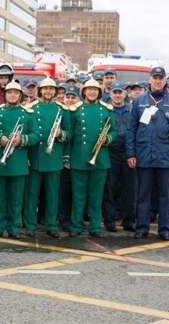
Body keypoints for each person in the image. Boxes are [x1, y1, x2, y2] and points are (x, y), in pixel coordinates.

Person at [126, 66, 169, 240]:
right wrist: (130, 154)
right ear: (150, 79)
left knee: (165, 195)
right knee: (143, 195)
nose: (158, 81)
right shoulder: (139, 101)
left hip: (166, 157)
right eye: (155, 78)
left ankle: (166, 229)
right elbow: (131, 129)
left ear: (165, 80)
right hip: (144, 155)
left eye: (161, 78)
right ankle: (142, 227)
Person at [66, 79, 116, 238]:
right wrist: (67, 157)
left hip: (100, 158)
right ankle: (76, 225)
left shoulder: (106, 109)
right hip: (79, 157)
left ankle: (95, 226)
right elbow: (70, 136)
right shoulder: (75, 110)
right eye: (89, 89)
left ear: (99, 92)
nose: (92, 92)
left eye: (95, 90)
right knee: (78, 195)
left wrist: (108, 138)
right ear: (84, 92)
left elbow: (114, 131)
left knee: (96, 195)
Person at [0, 82, 39, 239]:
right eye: (9, 92)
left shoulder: (28, 114)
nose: (12, 95)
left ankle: (14, 227)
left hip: (18, 160)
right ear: (5, 95)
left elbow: (36, 135)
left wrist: (22, 139)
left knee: (16, 198)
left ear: (20, 96)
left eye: (16, 93)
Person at [22, 78, 69, 238]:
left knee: (52, 194)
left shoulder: (61, 109)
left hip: (53, 156)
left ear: (55, 91)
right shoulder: (31, 108)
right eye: (45, 89)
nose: (48, 92)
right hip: (34, 156)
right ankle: (30, 225)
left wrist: (61, 134)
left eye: (51, 89)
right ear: (40, 91)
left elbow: (70, 133)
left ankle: (51, 225)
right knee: (31, 194)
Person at [103, 82, 136, 232]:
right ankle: (110, 221)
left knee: (129, 188)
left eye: (120, 92)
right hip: (111, 152)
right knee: (110, 188)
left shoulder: (133, 110)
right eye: (114, 92)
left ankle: (128, 220)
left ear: (125, 94)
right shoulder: (106, 110)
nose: (117, 95)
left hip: (129, 153)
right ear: (110, 94)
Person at [58, 85, 80, 231]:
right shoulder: (61, 112)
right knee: (63, 191)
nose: (70, 100)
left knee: (76, 192)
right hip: (62, 157)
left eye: (73, 97)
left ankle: (75, 219)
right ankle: (63, 219)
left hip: (78, 157)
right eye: (68, 97)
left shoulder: (80, 113)